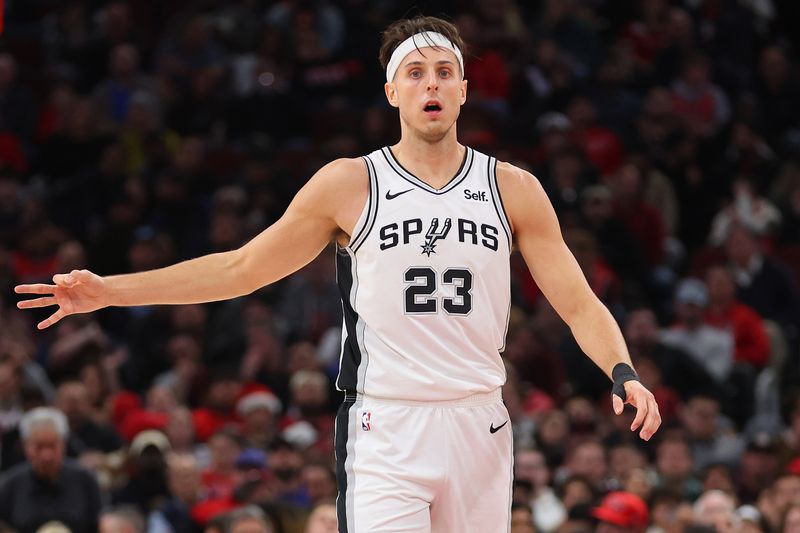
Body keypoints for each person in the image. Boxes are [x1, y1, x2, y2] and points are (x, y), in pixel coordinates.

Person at [15, 16, 661, 532]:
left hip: (479, 422)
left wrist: (623, 371)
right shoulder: (350, 183)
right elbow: (241, 268)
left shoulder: (512, 188)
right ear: (392, 91)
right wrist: (109, 291)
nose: (430, 83)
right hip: (385, 425)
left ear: (465, 88)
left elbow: (578, 302)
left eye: (444, 71)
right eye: (415, 72)